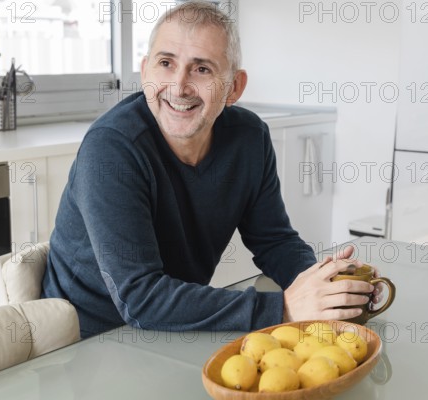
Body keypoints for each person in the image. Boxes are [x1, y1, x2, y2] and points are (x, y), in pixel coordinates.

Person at [42, 1, 378, 338]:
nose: (178, 86)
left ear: (234, 87)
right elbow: (140, 299)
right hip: (85, 340)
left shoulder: (250, 138)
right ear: (145, 73)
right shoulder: (111, 149)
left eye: (201, 69)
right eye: (165, 63)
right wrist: (286, 307)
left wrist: (326, 284)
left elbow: (274, 241)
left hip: (174, 329)